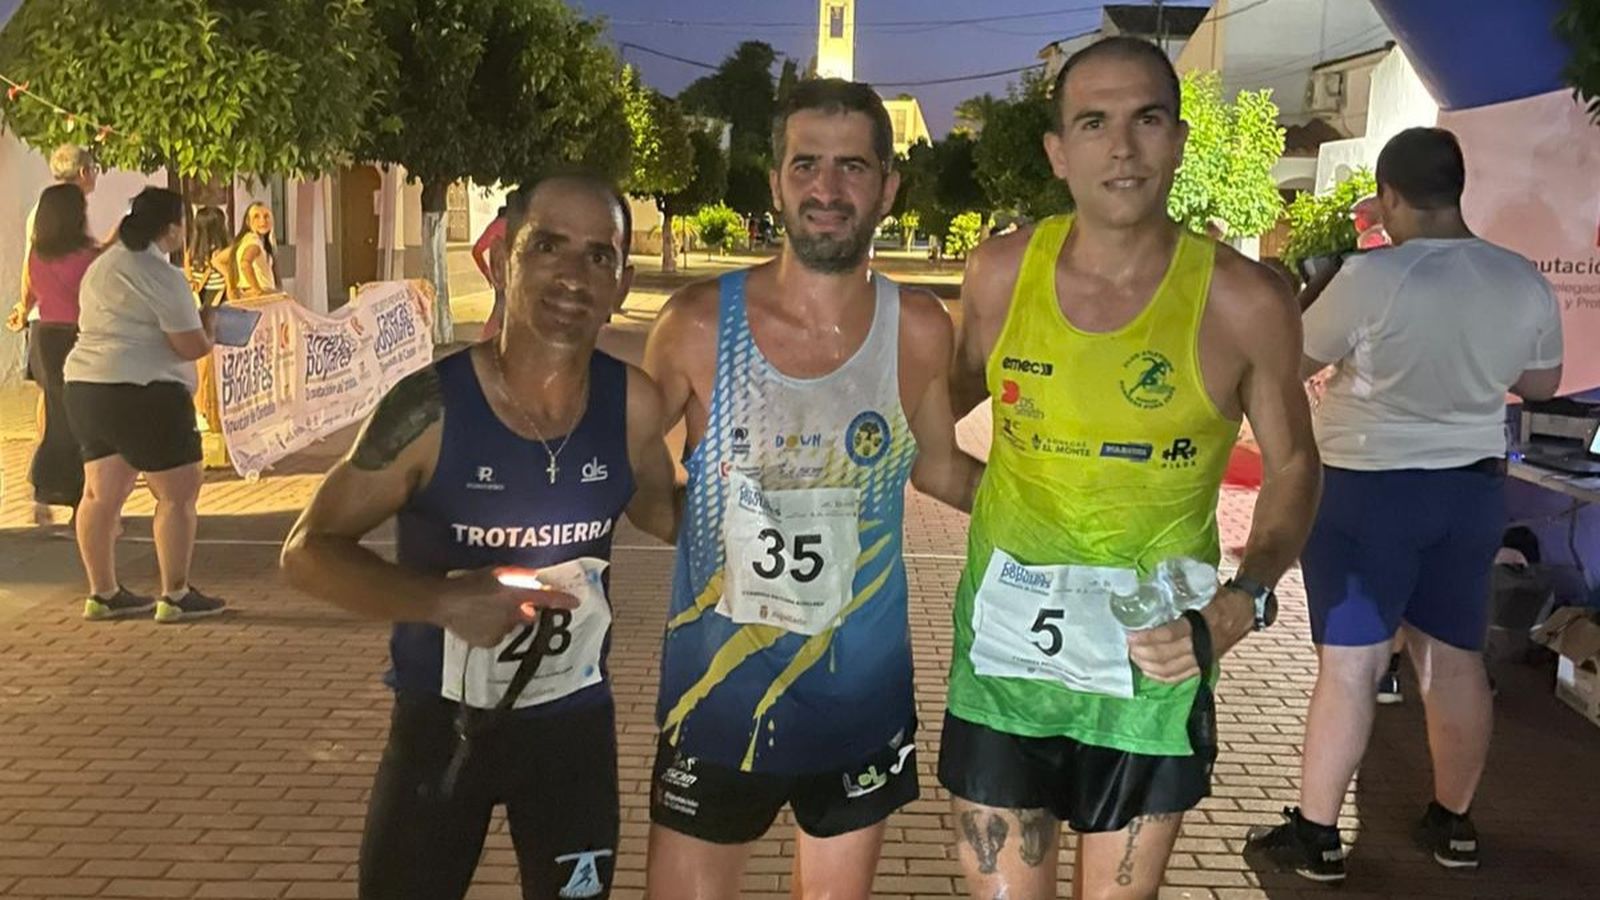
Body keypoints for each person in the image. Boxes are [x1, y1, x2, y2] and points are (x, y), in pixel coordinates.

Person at [942, 37, 1321, 899]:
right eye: (1093, 122)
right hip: (1005, 670)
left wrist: (1244, 601)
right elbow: (930, 418)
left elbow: (1295, 466)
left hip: (1151, 676)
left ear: (1178, 139)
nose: (1122, 147)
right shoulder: (1000, 274)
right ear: (1057, 151)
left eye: (1146, 119)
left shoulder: (1246, 300)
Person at [281, 172, 679, 900]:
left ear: (621, 283)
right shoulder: (430, 407)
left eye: (600, 256)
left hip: (573, 728)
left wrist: (759, 504)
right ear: (501, 262)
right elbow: (307, 550)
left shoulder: (634, 403)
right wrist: (440, 601)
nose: (572, 275)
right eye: (549, 246)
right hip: (442, 728)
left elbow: (659, 510)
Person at [642, 79, 984, 900]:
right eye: (807, 165)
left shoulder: (920, 327)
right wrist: (692, 529)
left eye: (852, 168)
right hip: (715, 699)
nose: (827, 190)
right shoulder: (695, 323)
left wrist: (1073, 512)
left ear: (887, 186)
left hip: (856, 701)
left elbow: (940, 467)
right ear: (776, 181)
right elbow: (624, 464)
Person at [1243, 127, 1564, 883]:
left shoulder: (1371, 277)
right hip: (1472, 492)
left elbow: (1298, 363)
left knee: (1351, 667)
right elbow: (1543, 386)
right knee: (1454, 664)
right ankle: (1453, 824)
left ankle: (1318, 837)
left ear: (1388, 196)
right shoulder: (1522, 280)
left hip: (1366, 492)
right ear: (1458, 188)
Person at [63, 187, 226, 623]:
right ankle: (175, 593)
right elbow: (189, 345)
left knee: (99, 494)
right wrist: (210, 323)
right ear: (173, 229)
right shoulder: (163, 274)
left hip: (86, 386)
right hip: (146, 390)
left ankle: (103, 592)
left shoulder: (103, 266)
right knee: (177, 495)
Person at [13, 144, 99, 527]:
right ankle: (82, 497)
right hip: (75, 336)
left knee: (57, 413)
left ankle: (46, 491)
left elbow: (30, 288)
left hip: (45, 335)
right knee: (80, 415)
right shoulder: (84, 256)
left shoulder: (38, 254)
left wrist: (21, 307)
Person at [472, 205, 509, 340]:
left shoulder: (495, 226)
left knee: (501, 309)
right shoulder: (514, 225)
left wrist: (487, 273)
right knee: (501, 309)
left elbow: (477, 250)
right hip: (509, 276)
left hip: (500, 275)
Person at [185, 206, 233, 306]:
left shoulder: (194, 247)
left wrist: (190, 281)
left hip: (202, 292)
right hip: (216, 290)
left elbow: (187, 262)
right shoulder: (224, 248)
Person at [232, 201, 277, 297]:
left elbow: (219, 260)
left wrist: (231, 287)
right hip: (260, 298)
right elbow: (245, 263)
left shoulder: (244, 240)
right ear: (248, 221)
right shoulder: (254, 242)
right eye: (256, 217)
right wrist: (257, 290)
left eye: (266, 216)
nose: (263, 221)